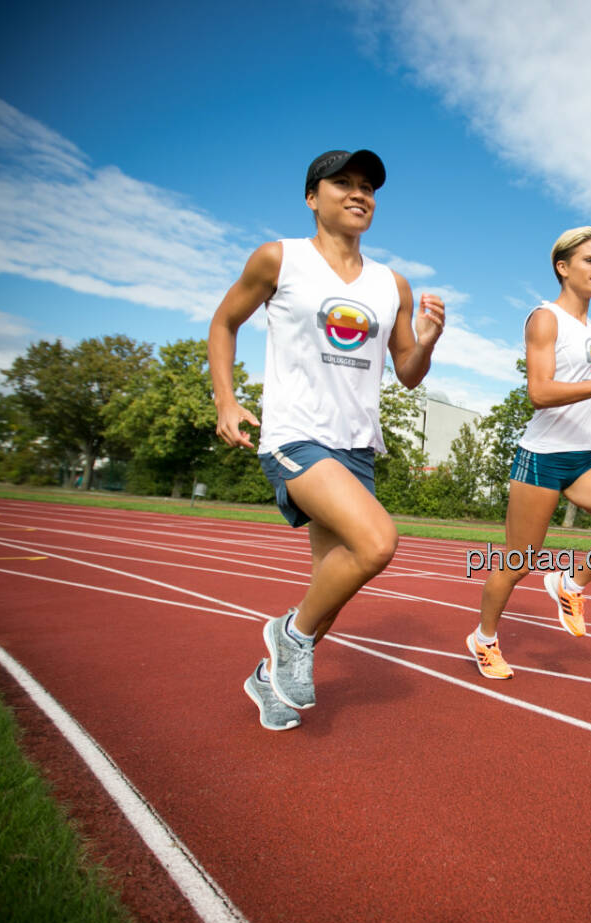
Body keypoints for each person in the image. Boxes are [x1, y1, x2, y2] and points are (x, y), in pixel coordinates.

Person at [209, 149, 445, 730]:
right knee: (377, 542)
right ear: (313, 197)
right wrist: (227, 400)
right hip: (295, 433)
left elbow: (409, 373)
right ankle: (286, 634)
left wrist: (430, 340)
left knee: (330, 590)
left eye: (368, 186)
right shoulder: (278, 259)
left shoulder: (393, 285)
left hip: (357, 443)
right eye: (343, 183)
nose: (359, 193)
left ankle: (269, 679)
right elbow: (224, 323)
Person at [465, 226, 591, 680]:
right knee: (518, 563)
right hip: (543, 456)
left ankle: (569, 584)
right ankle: (484, 638)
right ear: (563, 267)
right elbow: (539, 391)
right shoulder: (545, 318)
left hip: (586, 457)